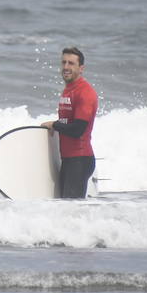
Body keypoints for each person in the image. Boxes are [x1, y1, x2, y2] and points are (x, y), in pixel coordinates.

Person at [41, 46, 98, 198]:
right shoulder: (69, 89)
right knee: (63, 209)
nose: (66, 67)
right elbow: (68, 122)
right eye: (63, 62)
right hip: (68, 160)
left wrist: (55, 125)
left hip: (80, 160)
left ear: (81, 68)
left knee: (72, 211)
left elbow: (78, 129)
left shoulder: (85, 92)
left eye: (71, 63)